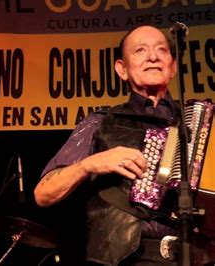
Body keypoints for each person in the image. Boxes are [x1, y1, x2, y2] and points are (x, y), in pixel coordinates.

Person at [34, 25, 204, 265]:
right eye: (140, 50)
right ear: (122, 69)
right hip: (124, 258)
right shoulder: (100, 123)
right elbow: (43, 194)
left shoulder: (200, 125)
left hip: (197, 255)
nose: (153, 56)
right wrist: (90, 164)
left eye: (161, 50)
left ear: (173, 66)